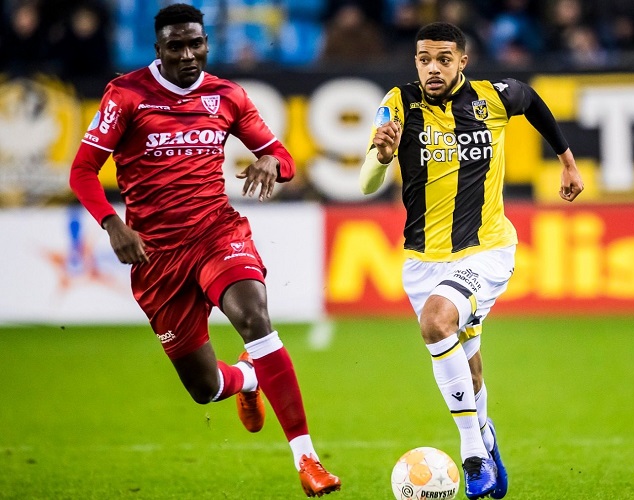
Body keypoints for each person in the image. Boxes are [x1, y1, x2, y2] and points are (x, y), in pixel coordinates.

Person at [68, 4, 340, 497]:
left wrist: (271, 165)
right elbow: (83, 170)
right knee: (205, 388)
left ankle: (308, 459)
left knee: (254, 317)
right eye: (176, 46)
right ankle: (248, 380)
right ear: (158, 49)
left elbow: (282, 156)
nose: (188, 55)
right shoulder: (126, 95)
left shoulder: (226, 95)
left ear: (207, 43)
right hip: (156, 257)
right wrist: (112, 224)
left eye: (196, 44)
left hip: (217, 233)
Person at [360, 22, 583, 500]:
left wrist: (566, 160)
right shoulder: (397, 103)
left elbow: (532, 101)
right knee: (468, 363)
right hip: (423, 261)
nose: (432, 68)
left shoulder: (494, 98)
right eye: (424, 59)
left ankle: (472, 454)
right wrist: (381, 156)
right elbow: (365, 184)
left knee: (436, 322)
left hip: (487, 249)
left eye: (444, 59)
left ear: (463, 61)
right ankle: (486, 434)